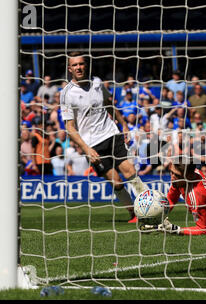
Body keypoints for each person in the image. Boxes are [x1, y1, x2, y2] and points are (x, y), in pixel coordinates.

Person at [60, 52, 146, 223]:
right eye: (74, 65)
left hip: (111, 133)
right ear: (70, 69)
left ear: (86, 65)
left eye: (81, 64)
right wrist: (86, 149)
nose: (78, 67)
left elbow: (109, 104)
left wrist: (124, 125)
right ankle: (133, 213)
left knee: (130, 171)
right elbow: (69, 127)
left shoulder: (97, 82)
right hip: (92, 144)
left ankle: (150, 205)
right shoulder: (66, 93)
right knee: (116, 182)